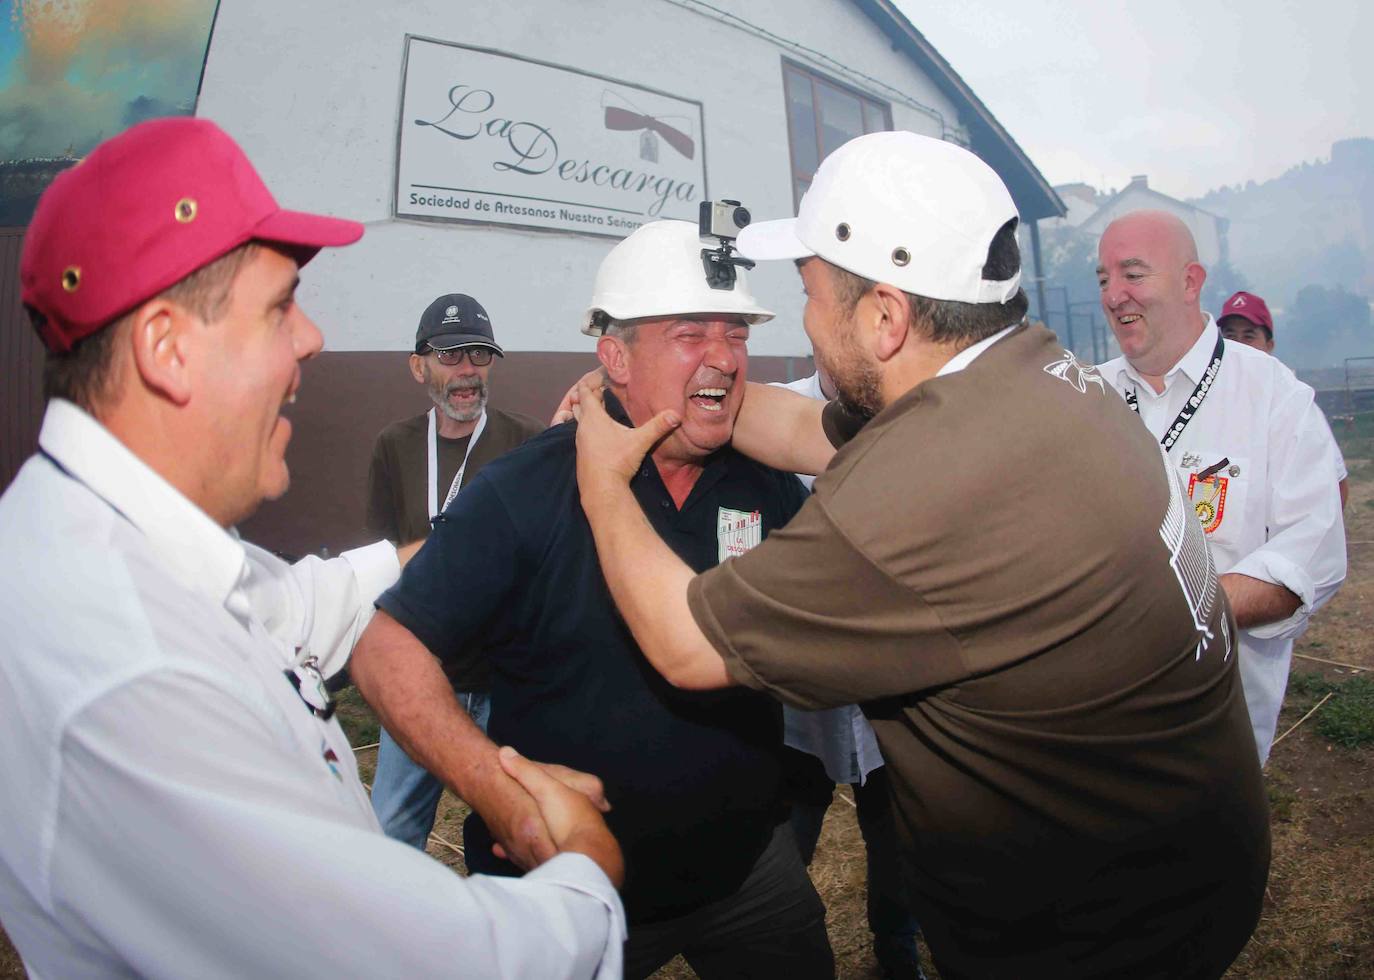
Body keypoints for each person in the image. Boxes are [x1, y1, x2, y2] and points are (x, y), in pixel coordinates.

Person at [567, 131, 1271, 980]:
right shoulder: (1028, 375)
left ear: (886, 317)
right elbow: (799, 427)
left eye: (811, 293)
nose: (805, 320)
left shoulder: (917, 494)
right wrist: (667, 391)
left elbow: (685, 644)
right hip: (1186, 859)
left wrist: (603, 476)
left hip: (1093, 931)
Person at [0, 116, 625, 979]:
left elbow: (308, 601)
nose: (313, 339)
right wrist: (587, 869)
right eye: (280, 308)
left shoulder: (117, 539)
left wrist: (490, 518)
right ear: (167, 350)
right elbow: (429, 961)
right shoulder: (128, 670)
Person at [348, 220, 835, 980]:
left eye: (735, 332)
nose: (724, 356)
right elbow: (384, 647)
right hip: (566, 896)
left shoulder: (761, 481)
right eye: (690, 332)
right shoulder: (524, 490)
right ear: (615, 357)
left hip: (748, 874)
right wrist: (494, 788)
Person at [1098, 213, 1347, 763]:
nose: (1114, 295)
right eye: (1102, 279)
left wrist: (1168, 611)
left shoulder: (1272, 397)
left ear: (1190, 281)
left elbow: (1313, 553)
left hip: (1215, 743)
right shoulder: (1084, 396)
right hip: (1097, 731)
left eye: (1133, 274)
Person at [366, 292, 543, 850]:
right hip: (423, 676)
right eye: (449, 356)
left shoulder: (528, 442)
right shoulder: (394, 446)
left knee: (521, 829)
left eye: (479, 355)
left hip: (507, 680)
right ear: (418, 367)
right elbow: (381, 555)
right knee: (389, 830)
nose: (466, 370)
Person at [772, 367, 925, 980]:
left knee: (897, 847)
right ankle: (778, 953)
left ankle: (897, 954)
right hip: (799, 696)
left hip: (890, 695)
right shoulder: (776, 415)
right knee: (784, 849)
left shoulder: (916, 411)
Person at [1217, 289, 1349, 508]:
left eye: (1249, 336)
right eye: (1230, 336)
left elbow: (1336, 486)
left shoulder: (1293, 403)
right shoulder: (1205, 402)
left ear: (1269, 346)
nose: (1238, 345)